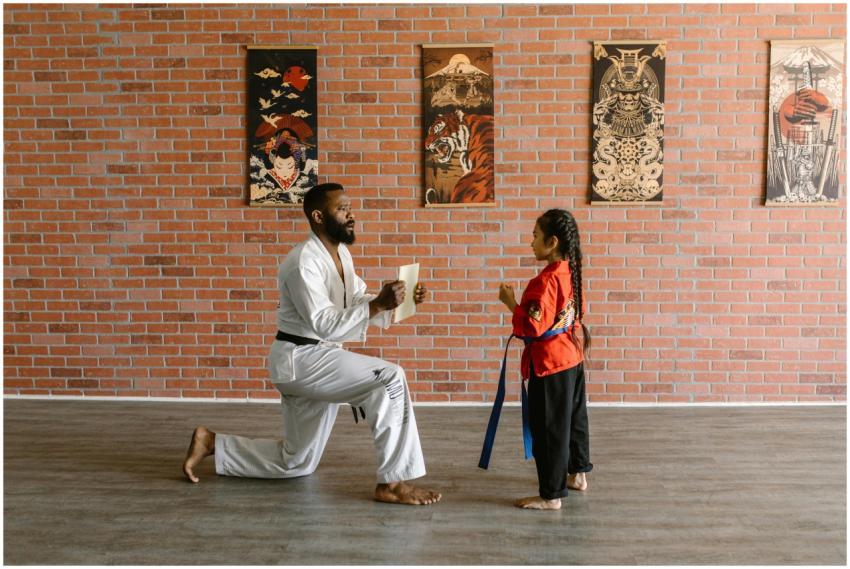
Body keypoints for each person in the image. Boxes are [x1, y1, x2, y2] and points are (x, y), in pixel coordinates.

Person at [183, 182, 442, 506]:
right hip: (302, 359)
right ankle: (392, 483)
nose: (351, 214)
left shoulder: (340, 254)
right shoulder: (302, 261)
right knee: (390, 378)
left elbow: (357, 300)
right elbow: (324, 322)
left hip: (317, 358)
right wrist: (376, 305)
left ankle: (213, 444)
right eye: (342, 208)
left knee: (296, 461)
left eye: (350, 207)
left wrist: (397, 302)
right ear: (318, 216)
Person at [497, 209, 593, 510]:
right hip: (572, 358)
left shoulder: (545, 281)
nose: (531, 243)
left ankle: (551, 495)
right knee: (575, 420)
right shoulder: (570, 271)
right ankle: (577, 474)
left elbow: (532, 326)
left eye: (535, 236)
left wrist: (511, 302)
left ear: (552, 242)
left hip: (551, 363)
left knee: (550, 428)